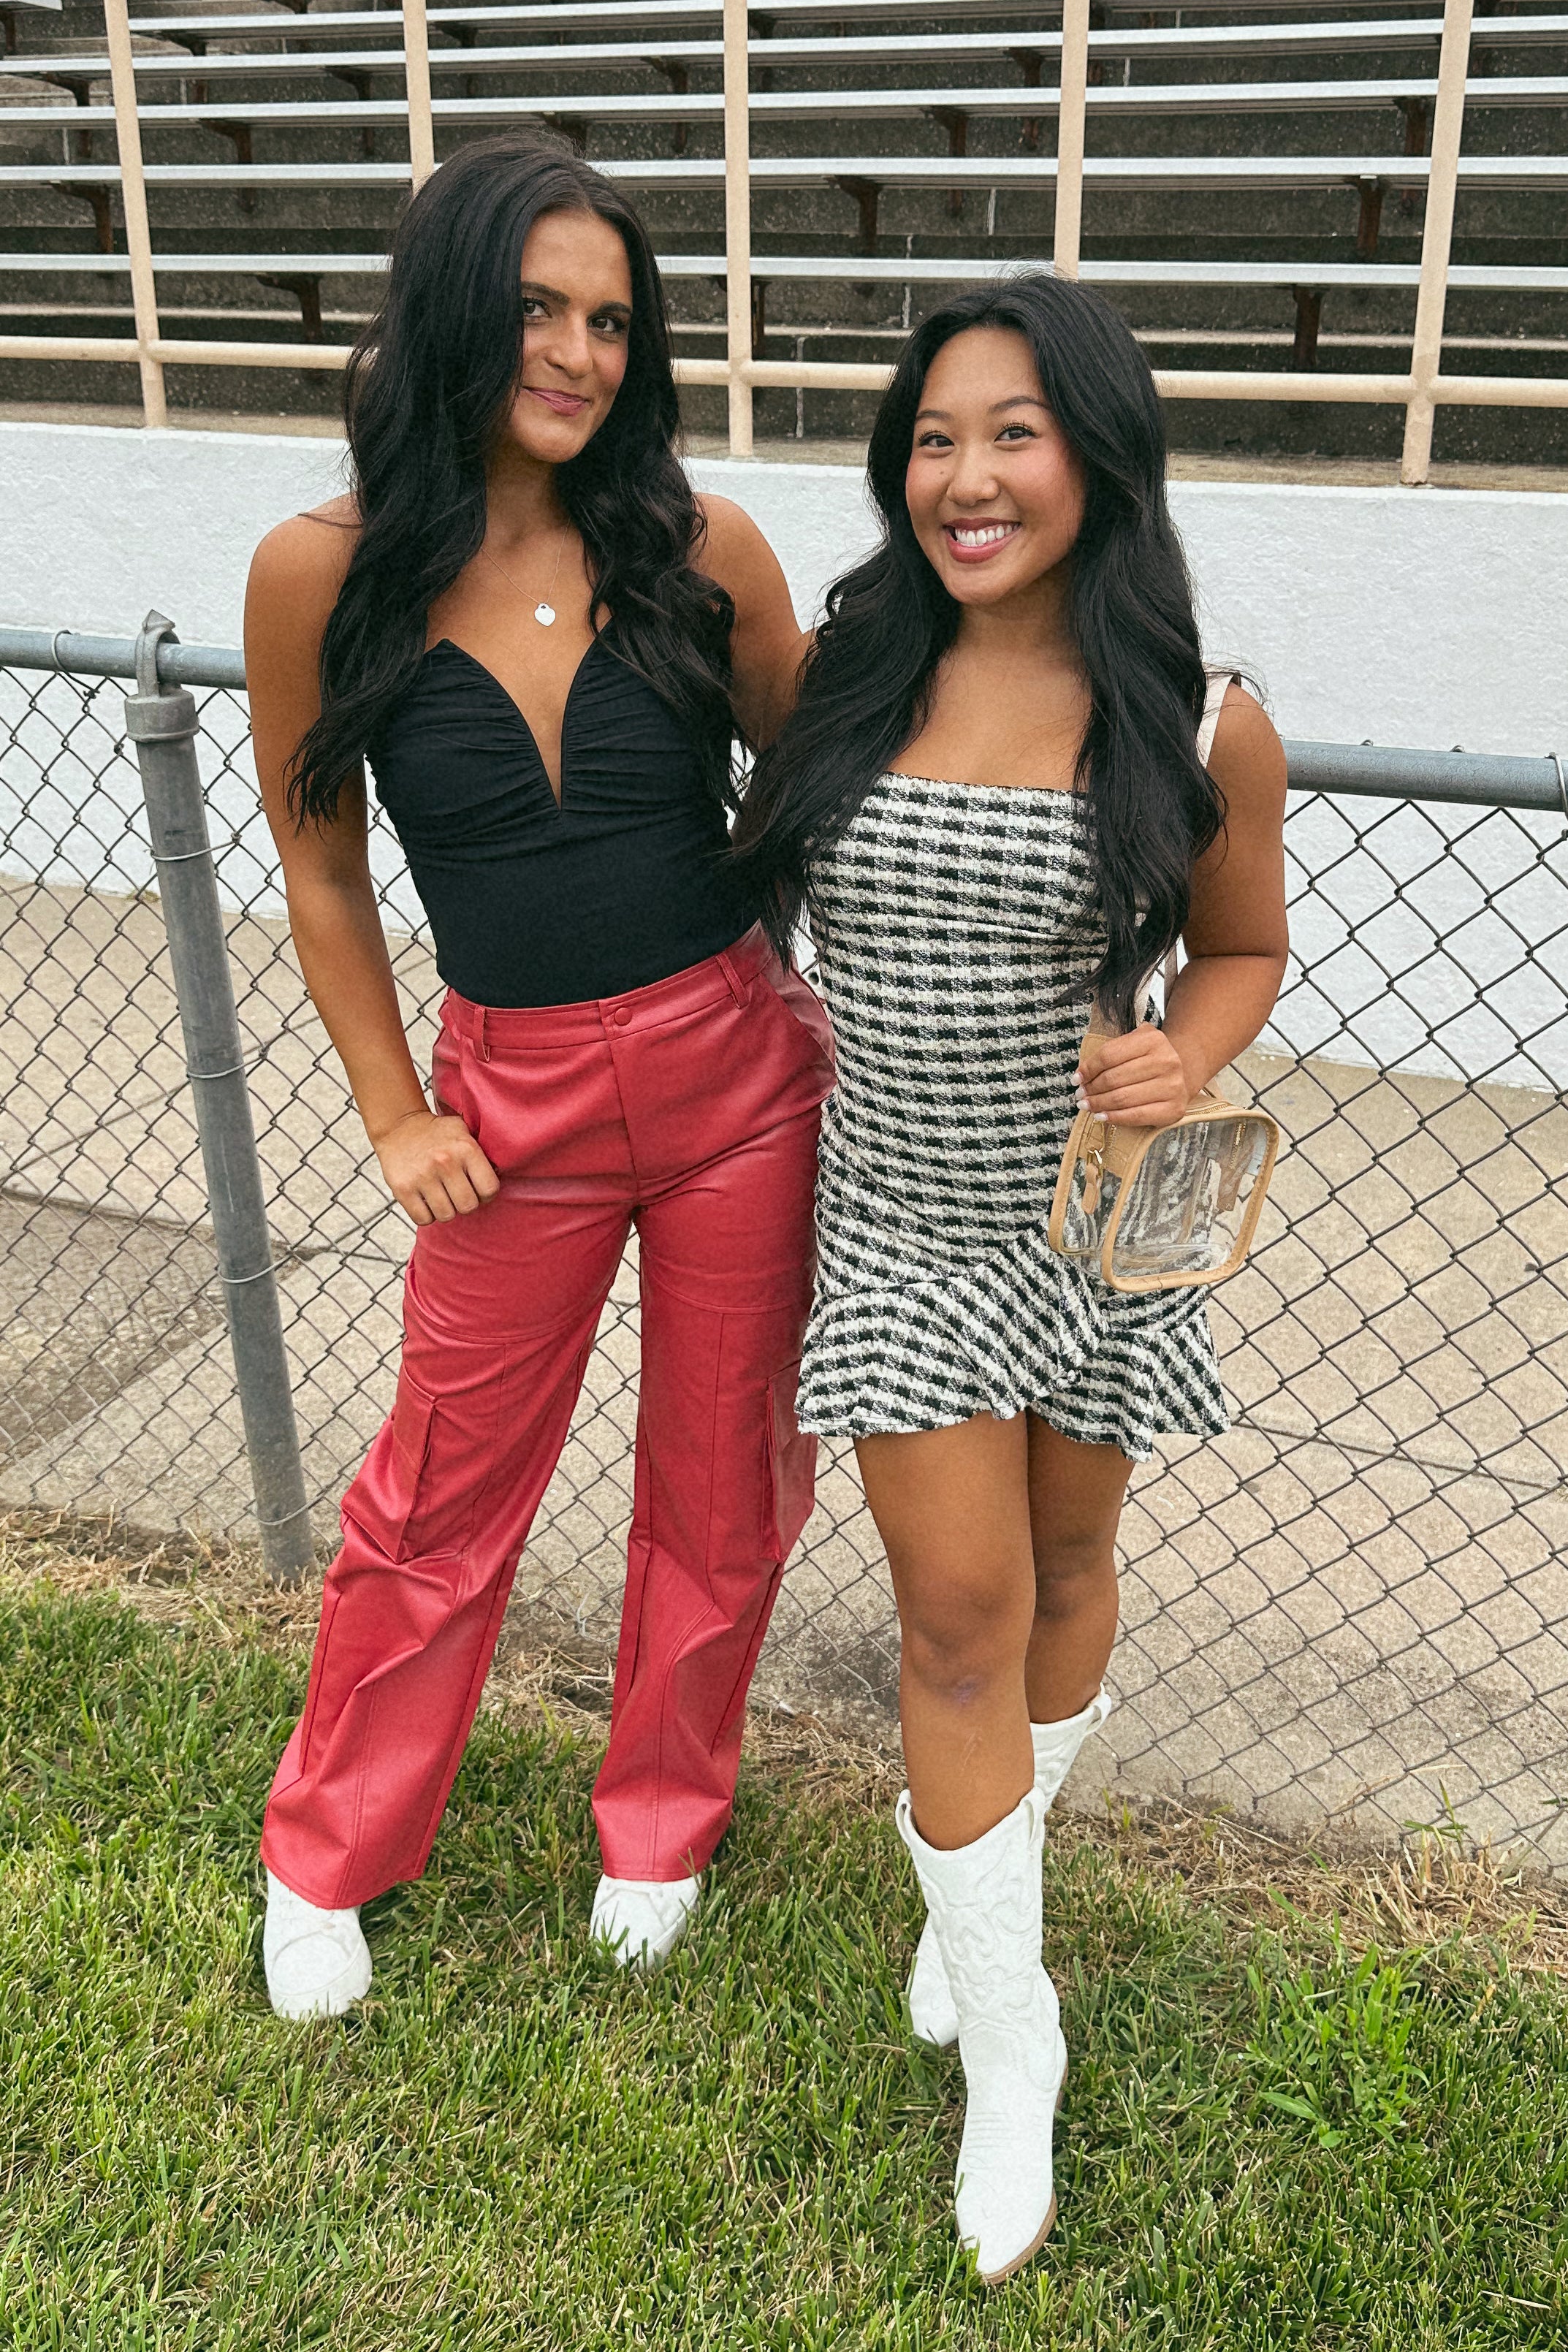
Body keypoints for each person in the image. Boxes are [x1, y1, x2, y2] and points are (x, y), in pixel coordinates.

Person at [732, 275, 1288, 2284]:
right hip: (897, 1228)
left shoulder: (1201, 713)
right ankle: (1010, 2036)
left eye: (1013, 434)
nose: (963, 477)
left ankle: (981, 1896)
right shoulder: (847, 671)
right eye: (933, 438)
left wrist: (1187, 1050)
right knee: (957, 1617)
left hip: (1094, 1231)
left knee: (1065, 1572)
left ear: (1099, 455)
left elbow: (1241, 948)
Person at [245, 135, 829, 2018]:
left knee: (726, 1481)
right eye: (536, 312)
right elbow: (321, 870)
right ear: (448, 312)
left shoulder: (702, 545)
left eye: (611, 322)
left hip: (743, 1077)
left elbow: (830, 792)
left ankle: (660, 1824)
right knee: (435, 1496)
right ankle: (328, 1852)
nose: (579, 355)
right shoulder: (321, 570)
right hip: (509, 1113)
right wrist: (393, 1111)